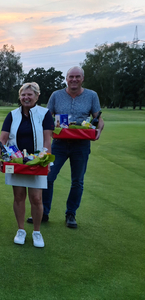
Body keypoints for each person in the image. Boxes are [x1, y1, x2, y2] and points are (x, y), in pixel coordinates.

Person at [35, 66, 104, 228]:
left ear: (82, 79)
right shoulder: (56, 95)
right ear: (66, 78)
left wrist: (99, 130)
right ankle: (43, 212)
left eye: (77, 77)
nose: (74, 79)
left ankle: (71, 214)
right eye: (71, 76)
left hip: (81, 144)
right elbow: (47, 117)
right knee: (48, 177)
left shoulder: (91, 95)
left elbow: (98, 118)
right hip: (58, 144)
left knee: (77, 181)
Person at [0, 82, 54, 248]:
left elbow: (47, 141)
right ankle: (21, 230)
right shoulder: (12, 115)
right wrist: (0, 159)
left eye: (30, 94)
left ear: (37, 96)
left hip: (37, 162)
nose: (26, 97)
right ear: (19, 97)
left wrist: (46, 161)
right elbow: (2, 140)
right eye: (23, 95)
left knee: (36, 198)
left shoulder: (45, 114)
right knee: (19, 196)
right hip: (16, 161)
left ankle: (37, 232)